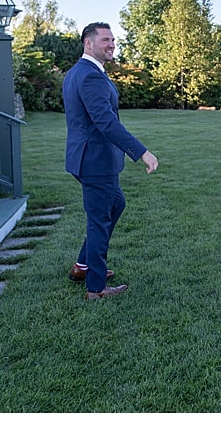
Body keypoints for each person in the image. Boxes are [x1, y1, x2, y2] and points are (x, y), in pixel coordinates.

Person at [63, 22, 159, 301]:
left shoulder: (78, 72)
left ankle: (83, 266)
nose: (111, 44)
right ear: (88, 43)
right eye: (105, 39)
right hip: (95, 161)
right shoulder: (90, 75)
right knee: (99, 220)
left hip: (88, 158)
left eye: (113, 39)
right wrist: (141, 151)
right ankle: (95, 287)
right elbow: (105, 121)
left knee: (116, 204)